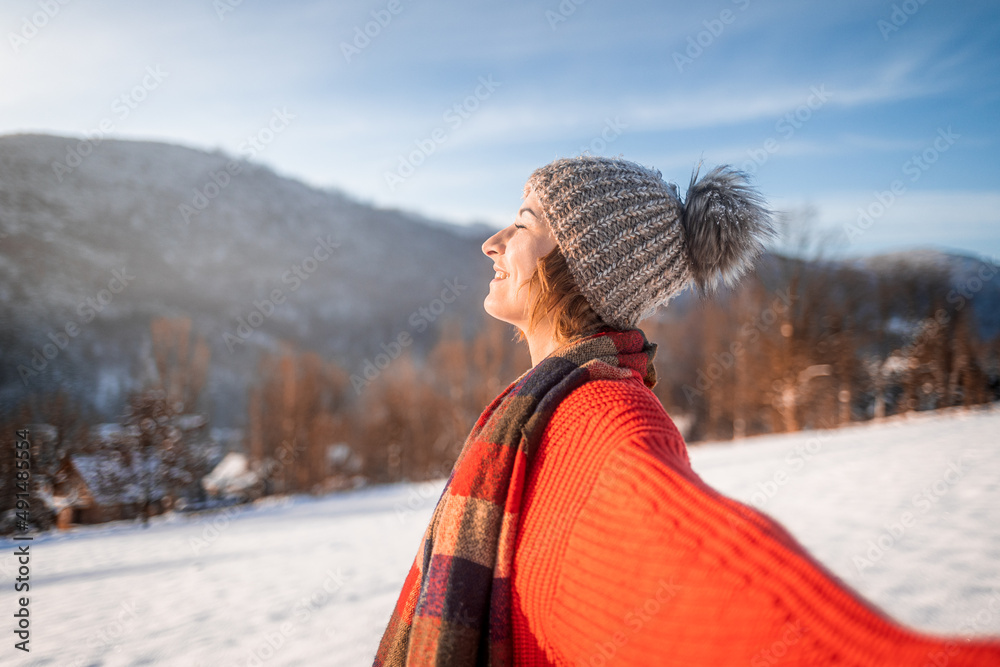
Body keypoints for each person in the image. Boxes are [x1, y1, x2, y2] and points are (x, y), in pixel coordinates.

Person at [373, 155, 1000, 666]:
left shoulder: (603, 418)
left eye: (524, 225)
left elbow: (711, 589)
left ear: (585, 267)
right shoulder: (543, 412)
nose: (492, 242)